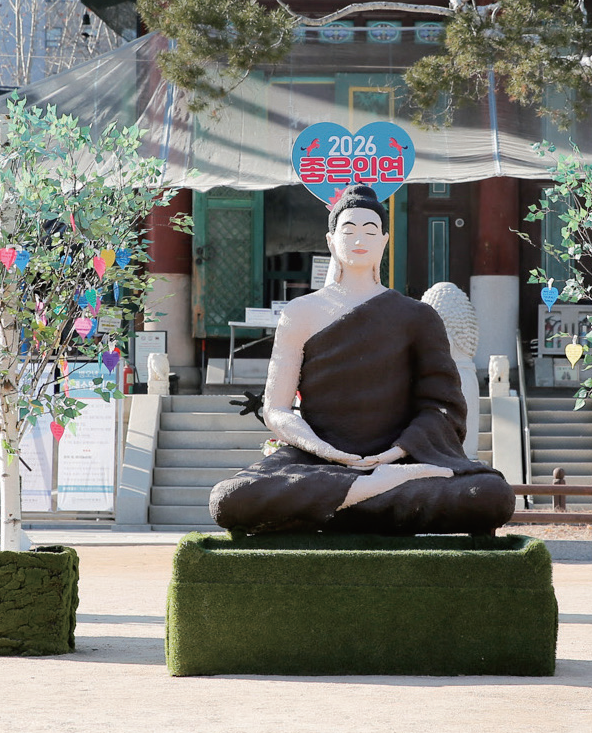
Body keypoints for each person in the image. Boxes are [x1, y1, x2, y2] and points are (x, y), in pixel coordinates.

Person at [209, 185, 516, 536]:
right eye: (349, 230)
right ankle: (373, 489)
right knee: (230, 498)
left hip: (399, 458)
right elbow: (276, 409)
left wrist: (394, 454)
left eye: (370, 231)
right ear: (330, 241)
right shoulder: (299, 313)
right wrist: (321, 448)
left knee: (490, 494)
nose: (359, 239)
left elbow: (443, 407)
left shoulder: (417, 316)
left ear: (384, 241)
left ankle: (333, 504)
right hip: (320, 461)